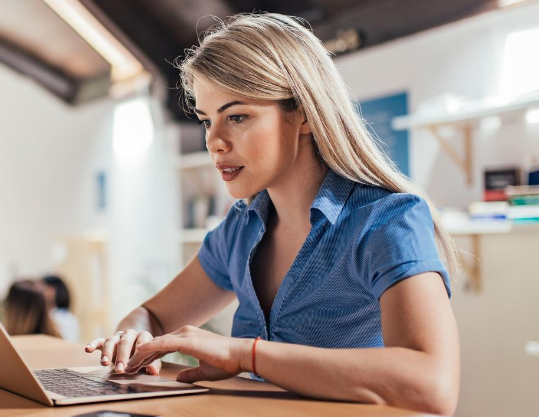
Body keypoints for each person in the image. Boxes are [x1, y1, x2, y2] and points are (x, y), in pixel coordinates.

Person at [85, 13, 460, 416]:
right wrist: (133, 336)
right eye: (208, 120)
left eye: (237, 116)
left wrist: (244, 354)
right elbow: (153, 315)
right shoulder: (240, 228)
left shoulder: (387, 221)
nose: (214, 141)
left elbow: (431, 385)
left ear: (301, 113)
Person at [37, 275, 80, 342]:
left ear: (53, 290)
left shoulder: (65, 318)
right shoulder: (48, 314)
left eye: (43, 289)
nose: (38, 293)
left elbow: (69, 343)